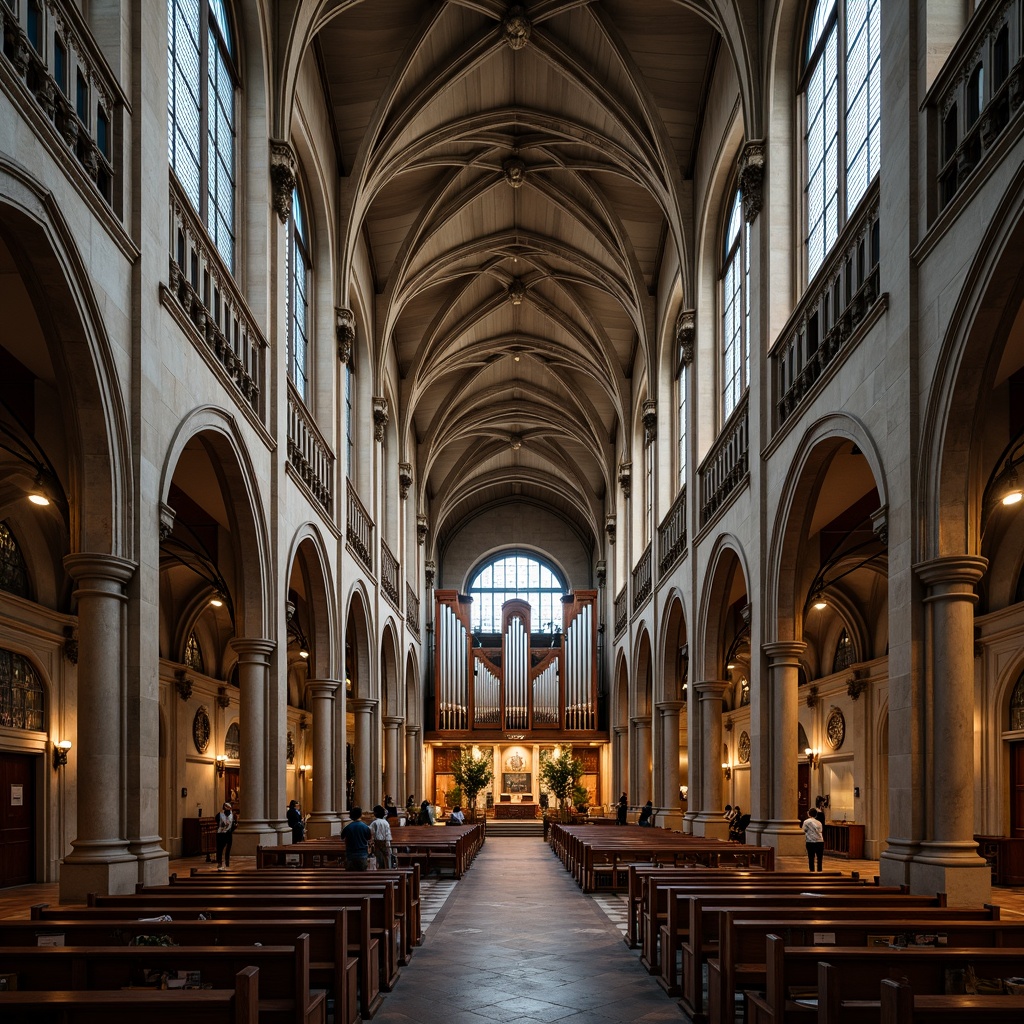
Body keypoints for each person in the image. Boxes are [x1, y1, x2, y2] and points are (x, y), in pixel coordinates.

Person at [341, 806, 372, 870]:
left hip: (350, 855)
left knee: (349, 875)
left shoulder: (348, 827)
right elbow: (369, 838)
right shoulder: (365, 827)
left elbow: (342, 837)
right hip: (362, 854)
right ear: (360, 815)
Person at [369, 804, 393, 869]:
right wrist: (388, 842)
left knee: (378, 857)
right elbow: (388, 833)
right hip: (385, 841)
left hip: (377, 841)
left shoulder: (374, 822)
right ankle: (388, 868)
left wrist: (371, 840)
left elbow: (371, 832)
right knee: (387, 856)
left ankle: (379, 869)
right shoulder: (386, 822)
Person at [215, 801, 234, 870]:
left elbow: (234, 824)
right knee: (220, 849)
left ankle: (225, 862)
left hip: (226, 834)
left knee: (226, 849)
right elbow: (217, 821)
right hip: (222, 834)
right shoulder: (220, 814)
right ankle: (220, 863)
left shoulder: (232, 815)